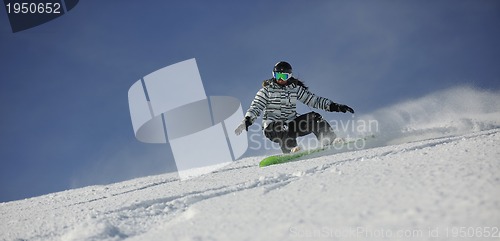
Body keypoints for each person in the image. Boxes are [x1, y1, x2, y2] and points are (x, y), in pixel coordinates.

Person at [235, 61, 354, 153]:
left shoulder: (294, 89)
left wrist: (335, 106)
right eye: (278, 75)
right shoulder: (266, 91)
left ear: (289, 76)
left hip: (291, 124)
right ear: (274, 75)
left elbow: (313, 100)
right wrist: (247, 120)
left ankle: (330, 141)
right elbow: (256, 106)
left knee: (315, 117)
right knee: (281, 126)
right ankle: (290, 150)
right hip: (272, 128)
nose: (281, 79)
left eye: (284, 76)